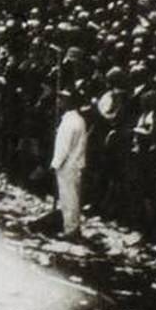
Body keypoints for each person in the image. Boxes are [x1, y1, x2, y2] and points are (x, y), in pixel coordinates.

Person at [52, 97, 90, 237]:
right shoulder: (79, 120)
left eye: (61, 100)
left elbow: (64, 147)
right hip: (76, 163)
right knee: (73, 196)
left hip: (67, 164)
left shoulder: (69, 122)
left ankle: (70, 229)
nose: (58, 102)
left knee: (68, 197)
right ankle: (73, 226)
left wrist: (55, 163)